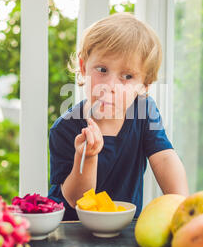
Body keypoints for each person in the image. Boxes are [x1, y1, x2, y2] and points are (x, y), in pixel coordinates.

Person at [48, 13, 189, 221]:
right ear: (84, 67)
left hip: (125, 229)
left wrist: (185, 209)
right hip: (72, 231)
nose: (111, 86)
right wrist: (86, 157)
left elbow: (165, 158)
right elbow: (75, 199)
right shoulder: (65, 128)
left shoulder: (144, 110)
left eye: (127, 76)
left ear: (144, 84)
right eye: (102, 70)